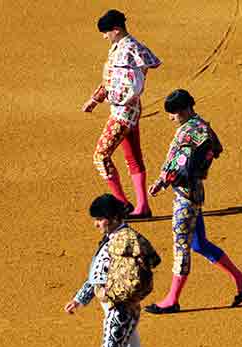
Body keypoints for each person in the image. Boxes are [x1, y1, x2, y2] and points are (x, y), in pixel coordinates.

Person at [65, 194, 177, 347]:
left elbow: (134, 274)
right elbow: (98, 275)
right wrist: (80, 298)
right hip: (120, 308)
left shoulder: (124, 241)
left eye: (100, 219)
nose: (96, 224)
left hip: (120, 311)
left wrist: (110, 295)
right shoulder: (116, 238)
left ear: (114, 218)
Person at [144, 89, 242, 314]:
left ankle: (172, 300)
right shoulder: (203, 126)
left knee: (181, 245)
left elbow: (177, 161)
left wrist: (162, 182)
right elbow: (217, 148)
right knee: (199, 243)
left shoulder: (187, 132)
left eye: (174, 112)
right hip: (195, 191)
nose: (170, 117)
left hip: (185, 195)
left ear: (185, 109)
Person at [82, 9, 161, 219]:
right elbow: (111, 80)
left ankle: (122, 204)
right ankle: (142, 207)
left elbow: (131, 85)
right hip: (130, 111)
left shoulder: (128, 50)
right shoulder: (123, 47)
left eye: (106, 32)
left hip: (123, 112)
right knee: (133, 157)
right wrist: (95, 99)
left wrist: (111, 98)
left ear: (116, 30)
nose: (104, 36)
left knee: (100, 156)